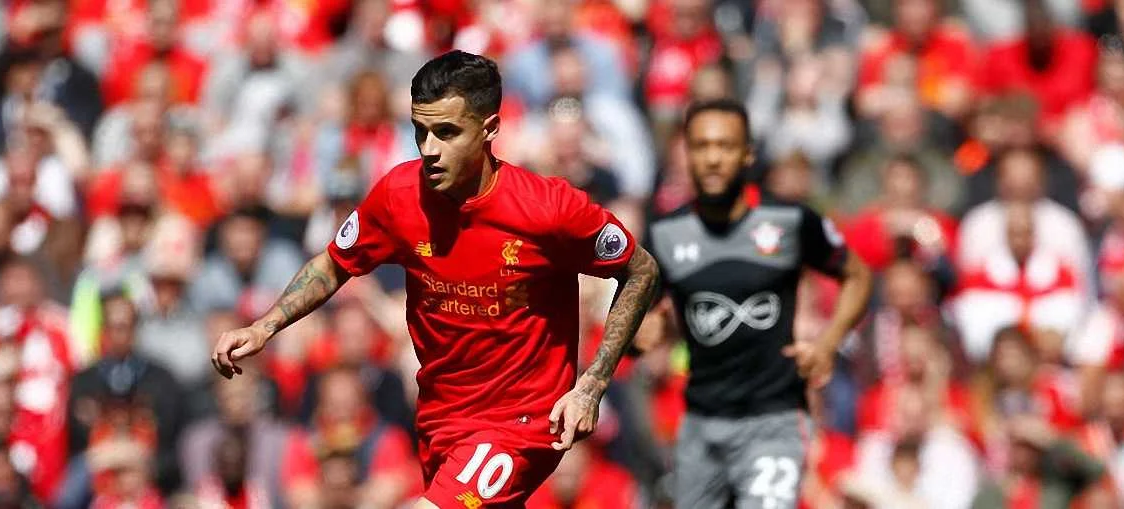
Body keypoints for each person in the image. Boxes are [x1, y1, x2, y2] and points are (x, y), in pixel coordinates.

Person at [211, 50, 661, 508]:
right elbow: (333, 263)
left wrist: (592, 383)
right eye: (420, 131)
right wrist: (264, 326)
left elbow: (640, 270)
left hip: (520, 422)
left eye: (447, 132)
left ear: (489, 129)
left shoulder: (548, 210)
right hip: (441, 417)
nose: (429, 148)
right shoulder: (399, 195)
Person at [641, 99, 872, 509]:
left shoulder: (791, 222)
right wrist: (644, 334)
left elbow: (857, 275)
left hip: (774, 418)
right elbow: (641, 320)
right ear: (687, 154)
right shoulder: (664, 234)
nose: (713, 158)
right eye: (702, 146)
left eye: (725, 146)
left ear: (747, 153)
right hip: (701, 424)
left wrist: (828, 342)